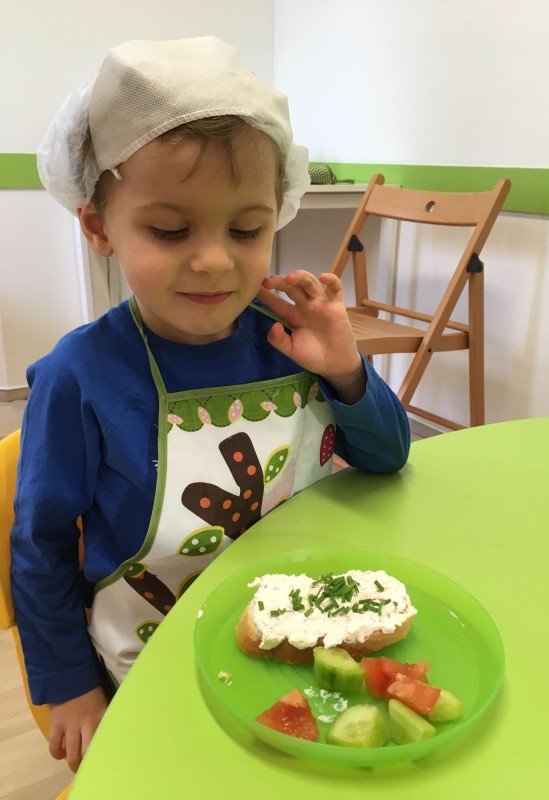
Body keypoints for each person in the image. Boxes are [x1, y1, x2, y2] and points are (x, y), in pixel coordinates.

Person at [10, 36, 410, 772]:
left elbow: (387, 459)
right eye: (169, 230)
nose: (215, 259)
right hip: (150, 655)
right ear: (98, 226)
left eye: (247, 229)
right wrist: (68, 685)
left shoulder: (290, 340)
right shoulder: (80, 377)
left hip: (293, 636)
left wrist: (347, 370)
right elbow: (40, 543)